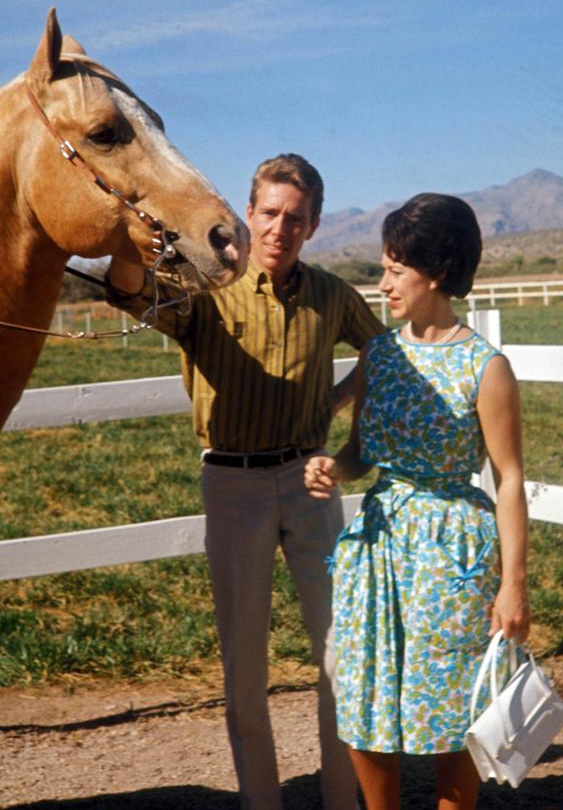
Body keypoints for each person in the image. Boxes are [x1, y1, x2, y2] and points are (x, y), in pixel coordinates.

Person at [106, 153, 384, 810]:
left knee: (341, 659)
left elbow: (386, 353)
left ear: (312, 225)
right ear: (248, 212)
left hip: (312, 481)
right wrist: (123, 241)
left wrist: (337, 404)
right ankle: (262, 802)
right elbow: (126, 291)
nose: (280, 227)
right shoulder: (205, 285)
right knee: (244, 670)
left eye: (295, 217)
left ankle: (342, 801)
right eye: (269, 213)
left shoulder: (331, 295)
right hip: (232, 487)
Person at [305, 192, 530, 810]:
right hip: (377, 547)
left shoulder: (486, 368)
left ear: (434, 272)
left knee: (451, 705)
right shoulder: (379, 355)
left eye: (394, 270)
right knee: (363, 692)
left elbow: (509, 479)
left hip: (451, 550)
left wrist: (514, 584)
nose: (382, 285)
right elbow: (361, 453)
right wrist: (335, 467)